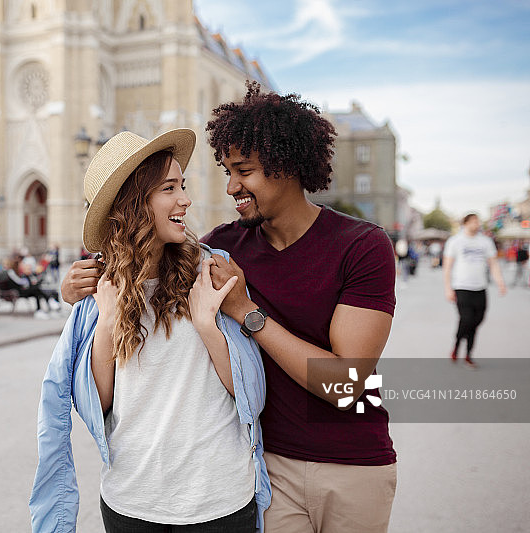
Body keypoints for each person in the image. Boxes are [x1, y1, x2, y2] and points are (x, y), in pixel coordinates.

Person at [61, 83, 398, 533]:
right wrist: (83, 281)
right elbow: (143, 252)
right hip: (268, 465)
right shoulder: (219, 248)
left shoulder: (362, 246)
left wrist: (247, 312)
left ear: (289, 166)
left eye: (245, 171)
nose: (231, 186)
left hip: (351, 462)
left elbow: (345, 384)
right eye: (227, 170)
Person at [31, 129, 270, 533]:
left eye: (183, 185)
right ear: (134, 204)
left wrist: (206, 324)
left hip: (220, 499)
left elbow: (250, 393)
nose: (185, 199)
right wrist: (107, 321)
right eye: (169, 188)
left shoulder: (213, 270)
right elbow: (100, 404)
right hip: (132, 501)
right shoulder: (99, 291)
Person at [443, 213, 507, 367]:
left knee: (478, 319)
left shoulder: (485, 242)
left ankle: (467, 352)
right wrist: (448, 288)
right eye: (473, 221)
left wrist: (500, 282)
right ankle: (460, 347)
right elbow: (447, 266)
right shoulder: (455, 241)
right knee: (466, 319)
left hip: (480, 287)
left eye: (478, 221)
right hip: (462, 287)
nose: (476, 224)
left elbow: (493, 263)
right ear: (465, 223)